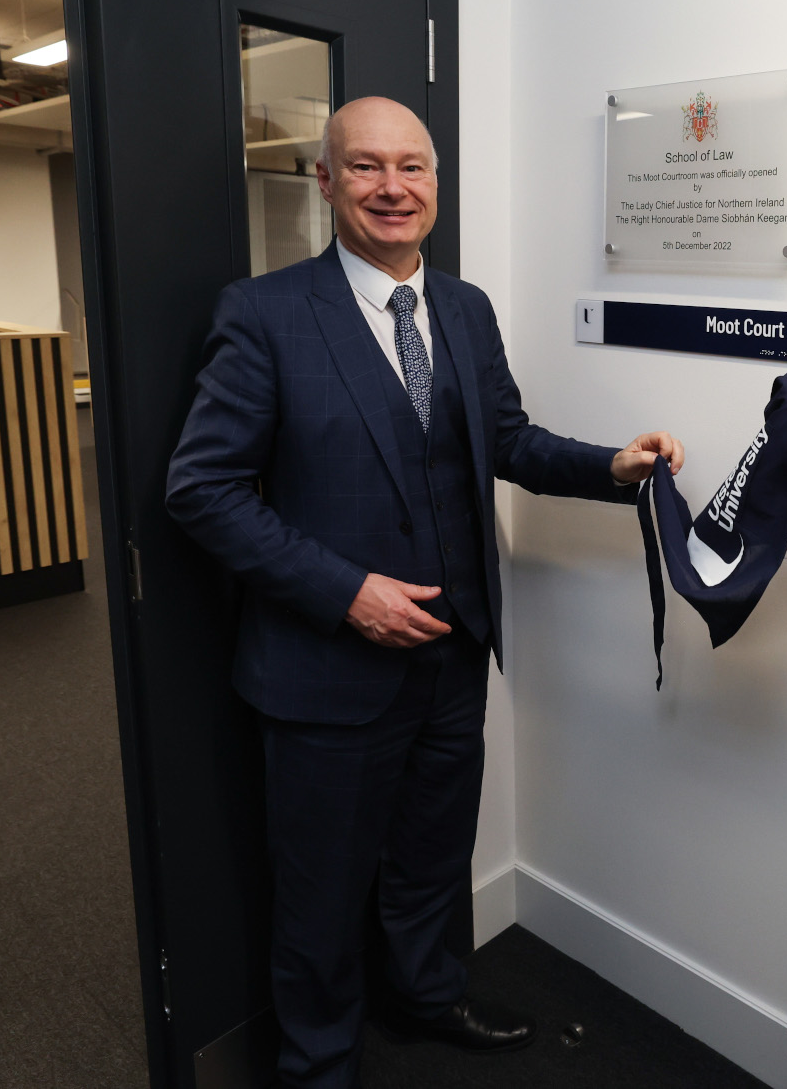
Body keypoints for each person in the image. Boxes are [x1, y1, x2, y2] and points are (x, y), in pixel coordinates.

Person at [166, 97, 684, 1089]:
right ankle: (317, 1065)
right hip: (324, 672)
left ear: (436, 186)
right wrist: (345, 591)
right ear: (324, 182)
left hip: (451, 654)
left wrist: (610, 465)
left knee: (429, 859)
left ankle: (425, 995)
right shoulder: (265, 315)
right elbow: (202, 488)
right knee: (318, 898)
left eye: (412, 167)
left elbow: (509, 441)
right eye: (364, 167)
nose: (391, 187)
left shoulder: (464, 308)